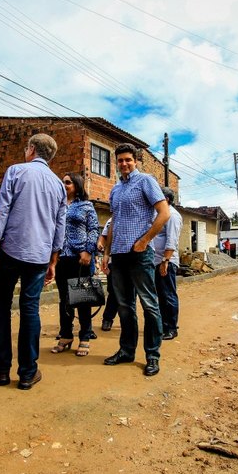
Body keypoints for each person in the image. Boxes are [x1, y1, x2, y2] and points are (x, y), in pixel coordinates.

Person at [0, 134, 66, 390]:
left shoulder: (16, 171)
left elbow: (3, 208)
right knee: (30, 308)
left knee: (1, 307)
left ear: (31, 149)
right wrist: (54, 259)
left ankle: (0, 370)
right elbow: (59, 225)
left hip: (11, 249)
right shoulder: (59, 185)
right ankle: (28, 373)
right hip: (40, 255)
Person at [102, 143, 169, 377]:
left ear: (136, 161)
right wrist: (107, 253)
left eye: (128, 160)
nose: (124, 164)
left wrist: (145, 240)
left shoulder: (146, 181)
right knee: (124, 306)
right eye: (120, 160)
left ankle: (152, 355)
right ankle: (126, 350)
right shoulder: (116, 189)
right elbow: (113, 222)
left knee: (149, 304)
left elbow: (164, 213)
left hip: (140, 254)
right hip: (118, 255)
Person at [52, 172, 100, 357]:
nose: (64, 185)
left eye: (68, 182)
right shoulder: (57, 206)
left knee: (82, 299)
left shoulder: (86, 206)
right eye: (62, 182)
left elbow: (93, 229)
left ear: (77, 185)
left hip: (80, 258)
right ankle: (65, 336)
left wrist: (88, 251)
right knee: (64, 299)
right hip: (61, 257)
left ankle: (85, 337)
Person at [153, 187, 183, 340]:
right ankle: (163, 325)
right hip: (156, 261)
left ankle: (171, 328)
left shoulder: (172, 215)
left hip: (166, 262)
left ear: (167, 200)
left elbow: (172, 239)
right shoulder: (159, 214)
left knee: (168, 295)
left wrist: (165, 261)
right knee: (160, 296)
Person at [98, 219, 119, 331]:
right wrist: (100, 243)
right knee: (113, 292)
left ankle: (128, 322)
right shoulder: (111, 221)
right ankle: (107, 319)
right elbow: (104, 236)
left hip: (132, 262)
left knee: (131, 293)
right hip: (112, 261)